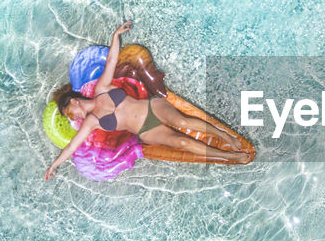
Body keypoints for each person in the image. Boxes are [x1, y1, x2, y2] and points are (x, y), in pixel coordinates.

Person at [44, 22, 253, 179]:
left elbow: (111, 61)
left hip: (153, 108)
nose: (74, 118)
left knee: (183, 122)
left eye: (70, 113)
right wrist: (55, 165)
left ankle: (226, 137)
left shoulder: (101, 89)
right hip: (146, 131)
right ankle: (229, 157)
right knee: (182, 142)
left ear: (74, 102)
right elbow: (72, 146)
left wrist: (115, 36)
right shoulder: (91, 122)